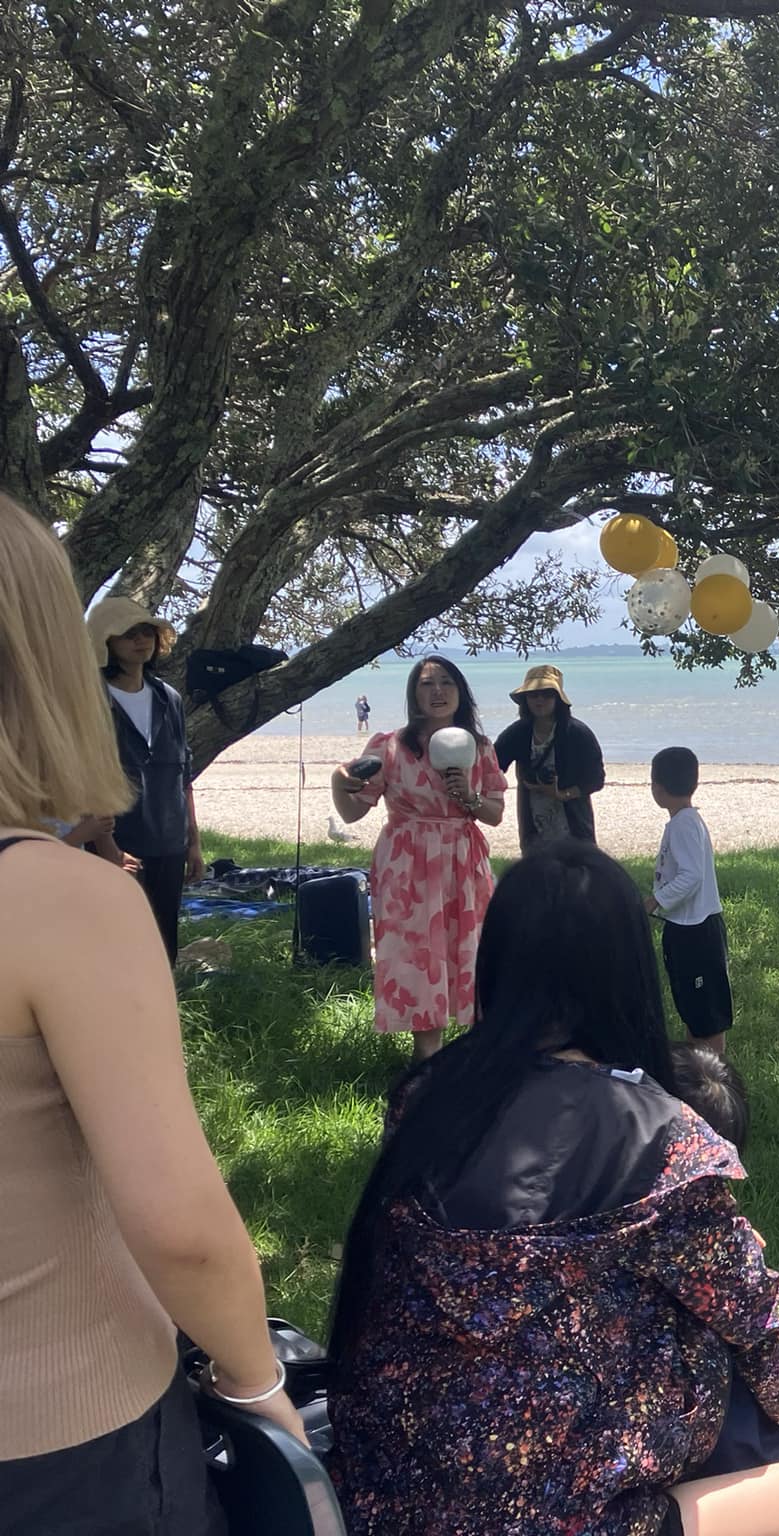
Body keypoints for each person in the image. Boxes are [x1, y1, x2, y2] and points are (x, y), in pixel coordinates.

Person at [326, 842, 779, 1536]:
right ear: (629, 970)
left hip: (388, 1497)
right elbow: (758, 1321)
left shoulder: (427, 1098)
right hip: (571, 1515)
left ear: (498, 956)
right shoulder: (663, 1139)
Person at [0, 493, 304, 1530]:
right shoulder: (59, 905)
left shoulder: (167, 710)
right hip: (62, 1437)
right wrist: (259, 1385)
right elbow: (179, 1223)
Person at [332, 655, 506, 1060]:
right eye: (427, 684)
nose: (438, 692)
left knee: (467, 951)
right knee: (416, 955)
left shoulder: (480, 748)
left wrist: (467, 793)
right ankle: (426, 1061)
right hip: (407, 863)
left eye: (446, 682)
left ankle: (469, 1057)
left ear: (461, 692)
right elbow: (353, 812)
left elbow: (495, 815)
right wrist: (338, 783)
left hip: (463, 860)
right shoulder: (389, 746)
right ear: (414, 695)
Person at [86, 593, 204, 960]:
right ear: (105, 642)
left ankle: (164, 1014)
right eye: (128, 634)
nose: (141, 641)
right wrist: (107, 848)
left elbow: (182, 776)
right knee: (115, 941)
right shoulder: (91, 698)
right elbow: (88, 778)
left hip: (168, 841)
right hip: (116, 840)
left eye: (146, 632)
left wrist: (193, 842)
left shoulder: (169, 698)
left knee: (163, 941)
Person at [650, 746, 735, 1059]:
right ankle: (697, 1070)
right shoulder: (683, 821)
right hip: (684, 926)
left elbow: (691, 876)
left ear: (657, 788)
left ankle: (715, 1076)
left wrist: (654, 901)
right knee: (692, 1007)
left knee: (707, 1015)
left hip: (696, 930)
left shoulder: (685, 824)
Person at [494, 663, 607, 854]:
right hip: (533, 827)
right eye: (533, 695)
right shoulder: (519, 732)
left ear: (558, 698)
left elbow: (595, 779)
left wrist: (562, 794)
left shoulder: (577, 733)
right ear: (525, 699)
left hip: (574, 826)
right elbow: (493, 764)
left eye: (547, 694)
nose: (540, 700)